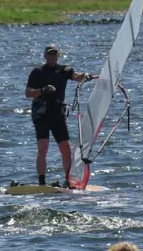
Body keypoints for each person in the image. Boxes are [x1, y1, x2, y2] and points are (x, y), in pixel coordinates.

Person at [25, 44, 94, 187]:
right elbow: (28, 93)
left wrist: (85, 76)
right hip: (42, 112)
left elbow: (76, 76)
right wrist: (43, 90)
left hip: (57, 112)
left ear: (58, 56)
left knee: (65, 148)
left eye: (54, 54)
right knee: (43, 147)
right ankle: (42, 182)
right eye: (49, 54)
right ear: (45, 56)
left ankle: (69, 180)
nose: (52, 56)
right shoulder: (37, 72)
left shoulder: (64, 70)